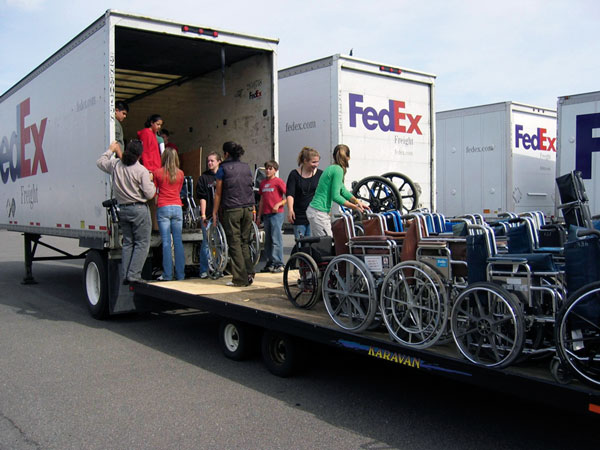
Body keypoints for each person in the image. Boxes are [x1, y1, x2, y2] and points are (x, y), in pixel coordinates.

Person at [96, 140, 156, 283]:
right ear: (140, 154)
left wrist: (111, 149)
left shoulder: (116, 164)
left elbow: (100, 162)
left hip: (122, 209)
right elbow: (149, 194)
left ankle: (125, 274)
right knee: (142, 243)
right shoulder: (141, 170)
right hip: (138, 209)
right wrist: (151, 180)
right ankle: (134, 275)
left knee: (128, 242)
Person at [212, 141, 255, 287]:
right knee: (245, 241)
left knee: (234, 243)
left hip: (232, 209)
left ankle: (239, 278)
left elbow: (218, 193)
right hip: (248, 207)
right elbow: (250, 187)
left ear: (226, 154)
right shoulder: (246, 167)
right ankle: (249, 272)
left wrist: (214, 212)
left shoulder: (222, 169)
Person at [307, 144, 366, 237]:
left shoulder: (332, 168)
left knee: (320, 245)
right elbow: (336, 196)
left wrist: (357, 201)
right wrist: (354, 207)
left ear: (333, 156)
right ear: (348, 158)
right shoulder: (338, 170)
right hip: (319, 212)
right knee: (326, 243)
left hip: (316, 211)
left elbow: (343, 190)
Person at [153, 148, 185, 281]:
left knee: (166, 242)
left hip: (163, 206)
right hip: (177, 207)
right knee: (178, 242)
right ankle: (180, 274)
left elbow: (155, 192)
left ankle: (167, 274)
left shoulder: (157, 173)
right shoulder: (181, 173)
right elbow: (178, 190)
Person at [256, 160, 287, 273]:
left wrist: (279, 204)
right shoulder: (263, 183)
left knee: (276, 239)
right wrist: (259, 216)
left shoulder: (278, 182)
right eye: (267, 169)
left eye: (270, 169)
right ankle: (270, 262)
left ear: (275, 170)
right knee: (268, 240)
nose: (268, 171)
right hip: (266, 214)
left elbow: (288, 196)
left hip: (276, 214)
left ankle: (279, 263)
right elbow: (262, 200)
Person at [286, 147, 322, 240]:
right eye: (313, 162)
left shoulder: (320, 174)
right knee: (301, 243)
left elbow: (324, 193)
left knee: (312, 244)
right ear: (305, 161)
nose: (316, 165)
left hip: (314, 215)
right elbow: (290, 194)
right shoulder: (294, 174)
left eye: (317, 162)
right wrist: (290, 210)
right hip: (299, 216)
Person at [196, 151, 222, 279]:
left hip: (220, 215)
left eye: (212, 160)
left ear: (219, 162)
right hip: (209, 215)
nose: (210, 163)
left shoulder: (223, 177)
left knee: (220, 243)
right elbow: (202, 198)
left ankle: (219, 268)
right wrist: (203, 215)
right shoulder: (204, 178)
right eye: (208, 161)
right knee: (206, 243)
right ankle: (204, 270)